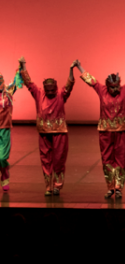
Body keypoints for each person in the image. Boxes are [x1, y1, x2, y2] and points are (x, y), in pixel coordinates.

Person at [76, 57, 125, 198]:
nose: (115, 90)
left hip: (121, 131)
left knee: (121, 159)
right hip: (105, 132)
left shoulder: (124, 90)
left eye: (116, 87)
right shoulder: (102, 91)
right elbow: (92, 81)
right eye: (112, 87)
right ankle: (110, 186)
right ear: (107, 86)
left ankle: (118, 187)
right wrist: (79, 67)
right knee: (107, 159)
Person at [20, 58, 77, 196]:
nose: (50, 92)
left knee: (58, 159)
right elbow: (29, 83)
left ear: (56, 88)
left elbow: (69, 85)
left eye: (53, 90)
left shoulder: (61, 95)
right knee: (45, 159)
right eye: (48, 90)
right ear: (45, 89)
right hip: (44, 132)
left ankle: (57, 185)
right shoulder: (39, 94)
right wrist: (23, 66)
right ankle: (48, 186)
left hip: (59, 132)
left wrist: (71, 70)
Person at [0, 58, 24, 192]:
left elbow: (16, 81)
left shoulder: (8, 93)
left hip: (4, 129)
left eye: (1, 82)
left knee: (2, 158)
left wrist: (20, 68)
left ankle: (4, 174)